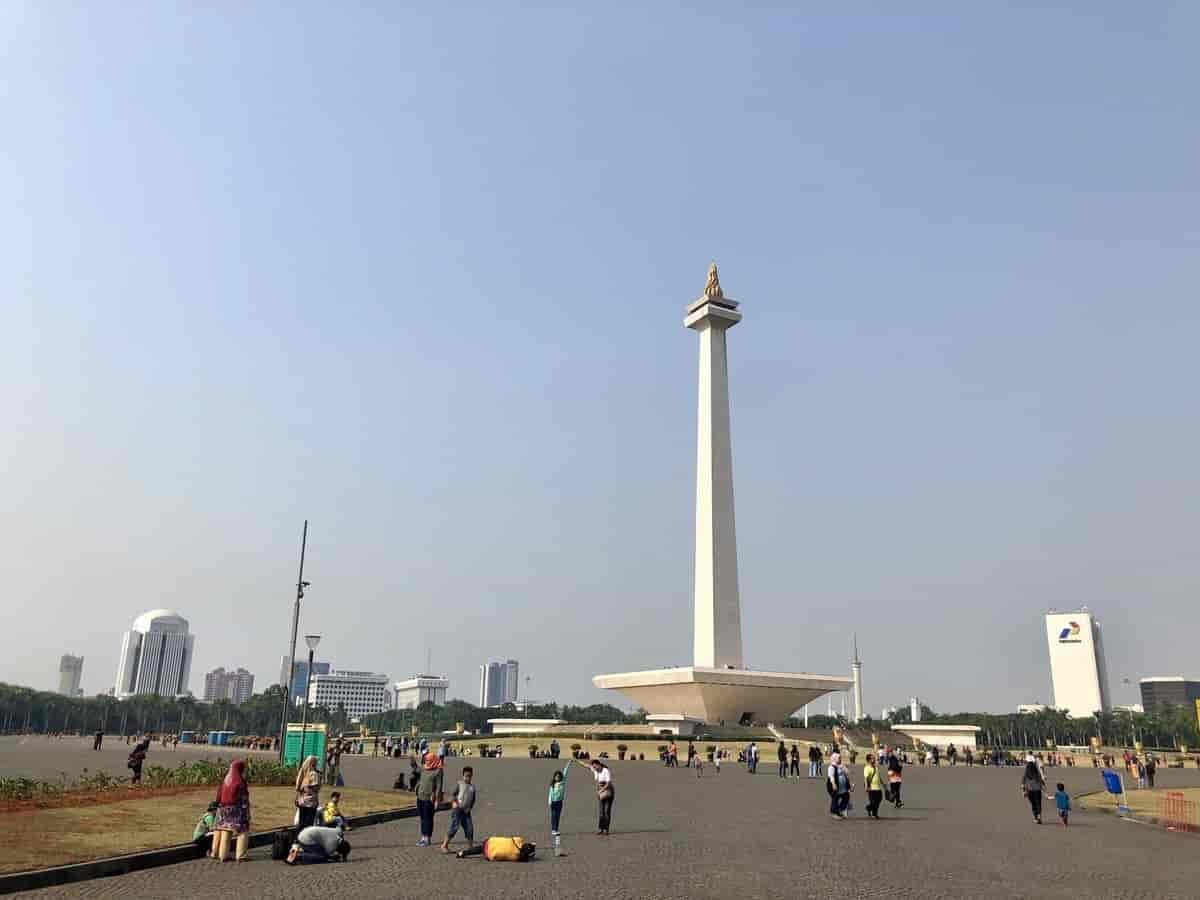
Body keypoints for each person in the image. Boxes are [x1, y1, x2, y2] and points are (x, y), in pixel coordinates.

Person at [213, 759, 251, 861]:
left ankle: (223, 855)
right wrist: (247, 811)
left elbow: (218, 796)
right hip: (237, 810)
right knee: (243, 830)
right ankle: (241, 855)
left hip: (223, 809)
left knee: (226, 830)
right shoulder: (240, 781)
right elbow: (244, 798)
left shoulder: (225, 780)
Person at [440, 766, 476, 852]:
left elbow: (473, 799)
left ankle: (470, 847)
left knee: (469, 828)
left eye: (469, 776)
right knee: (454, 827)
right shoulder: (459, 784)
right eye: (466, 775)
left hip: (466, 811)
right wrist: (455, 803)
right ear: (463, 775)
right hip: (457, 810)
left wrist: (470, 808)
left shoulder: (472, 787)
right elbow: (452, 795)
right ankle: (444, 845)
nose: (468, 778)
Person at [415, 750, 445, 846]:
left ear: (433, 760)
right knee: (422, 818)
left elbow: (439, 786)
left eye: (428, 760)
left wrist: (437, 800)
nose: (426, 761)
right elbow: (416, 770)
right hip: (420, 797)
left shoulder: (438, 771)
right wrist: (412, 761)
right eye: (426, 760)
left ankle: (427, 838)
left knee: (428, 818)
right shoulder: (424, 768)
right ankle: (423, 837)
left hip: (429, 799)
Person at [577, 759, 614, 835]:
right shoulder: (595, 770)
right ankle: (600, 829)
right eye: (594, 767)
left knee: (607, 811)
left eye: (595, 766)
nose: (595, 768)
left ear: (599, 764)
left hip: (608, 791)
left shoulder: (605, 771)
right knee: (601, 812)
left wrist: (601, 790)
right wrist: (576, 761)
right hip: (600, 792)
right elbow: (586, 766)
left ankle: (606, 829)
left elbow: (609, 783)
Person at [286, 825, 351, 864]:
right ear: (340, 849)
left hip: (305, 832)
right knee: (321, 857)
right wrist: (334, 857)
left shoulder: (337, 832)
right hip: (306, 839)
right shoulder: (332, 846)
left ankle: (298, 850)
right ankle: (298, 857)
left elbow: (340, 830)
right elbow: (327, 856)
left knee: (319, 849)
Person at [295, 755, 321, 828]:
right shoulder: (314, 774)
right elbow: (315, 788)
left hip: (302, 800)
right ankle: (307, 838)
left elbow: (298, 787)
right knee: (309, 823)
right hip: (311, 802)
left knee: (301, 821)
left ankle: (299, 837)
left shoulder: (302, 772)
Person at [548, 761, 570, 845]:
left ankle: (556, 829)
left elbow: (565, 772)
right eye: (556, 776)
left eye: (558, 776)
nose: (557, 778)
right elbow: (550, 793)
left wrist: (568, 763)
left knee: (558, 816)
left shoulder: (562, 783)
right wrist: (549, 801)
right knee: (553, 815)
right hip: (553, 802)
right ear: (554, 777)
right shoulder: (553, 784)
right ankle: (553, 829)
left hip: (559, 802)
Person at [827, 751, 851, 818]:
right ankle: (834, 813)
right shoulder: (831, 767)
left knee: (846, 797)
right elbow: (831, 776)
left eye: (840, 758)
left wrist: (843, 766)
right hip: (835, 785)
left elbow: (847, 773)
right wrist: (834, 784)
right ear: (834, 759)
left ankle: (840, 810)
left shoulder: (841, 766)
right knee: (835, 799)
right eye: (839, 758)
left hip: (843, 786)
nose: (840, 759)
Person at [1021, 759, 1046, 824]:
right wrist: (1044, 791)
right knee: (1038, 804)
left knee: (1033, 804)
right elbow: (1042, 783)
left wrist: (1024, 792)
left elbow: (1023, 784)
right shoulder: (1037, 774)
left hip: (1029, 791)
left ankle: (1035, 818)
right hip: (1037, 791)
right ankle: (1039, 817)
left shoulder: (1026, 775)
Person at [863, 753, 884, 819]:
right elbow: (866, 778)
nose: (874, 759)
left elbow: (879, 776)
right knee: (873, 801)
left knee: (879, 799)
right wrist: (866, 786)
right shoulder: (867, 768)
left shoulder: (876, 767)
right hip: (871, 788)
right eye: (872, 758)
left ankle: (869, 808)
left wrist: (883, 784)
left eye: (874, 758)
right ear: (869, 760)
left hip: (878, 787)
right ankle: (874, 814)